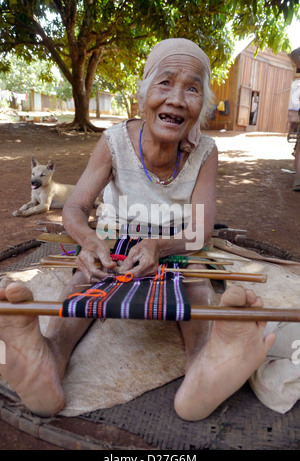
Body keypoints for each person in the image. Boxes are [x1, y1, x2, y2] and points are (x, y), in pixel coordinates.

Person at [0, 38, 276, 420]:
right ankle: (49, 356)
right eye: (165, 83)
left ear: (201, 106)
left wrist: (161, 247)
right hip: (113, 240)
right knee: (85, 278)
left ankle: (203, 365)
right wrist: (89, 240)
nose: (177, 99)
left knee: (190, 282)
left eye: (192, 88)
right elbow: (77, 208)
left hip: (176, 244)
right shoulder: (113, 142)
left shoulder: (206, 151)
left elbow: (201, 230)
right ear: (144, 92)